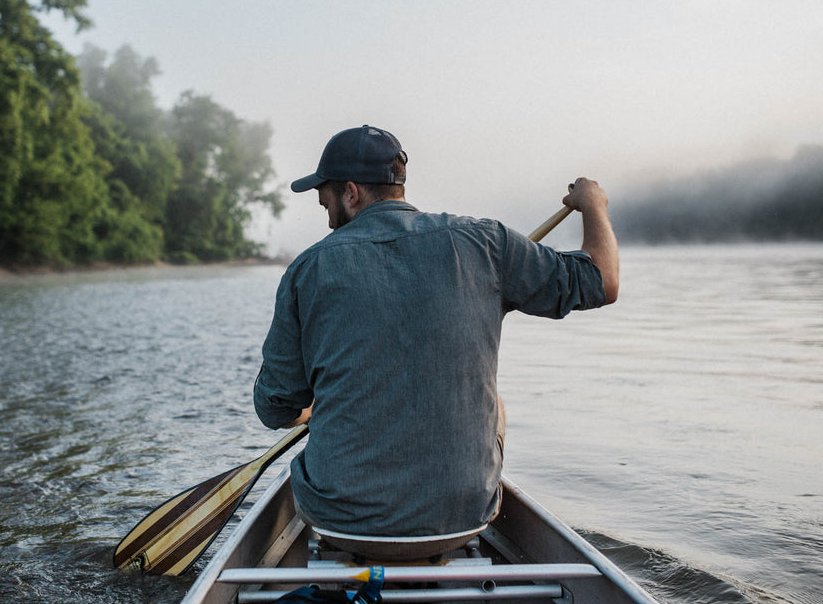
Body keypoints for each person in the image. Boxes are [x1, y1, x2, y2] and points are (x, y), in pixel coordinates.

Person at [253, 125, 618, 560]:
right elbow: (602, 280)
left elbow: (274, 408)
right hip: (463, 520)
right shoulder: (485, 243)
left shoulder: (307, 269)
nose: (326, 213)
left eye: (325, 199)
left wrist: (315, 409)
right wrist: (593, 205)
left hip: (342, 524)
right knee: (495, 405)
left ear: (351, 193)